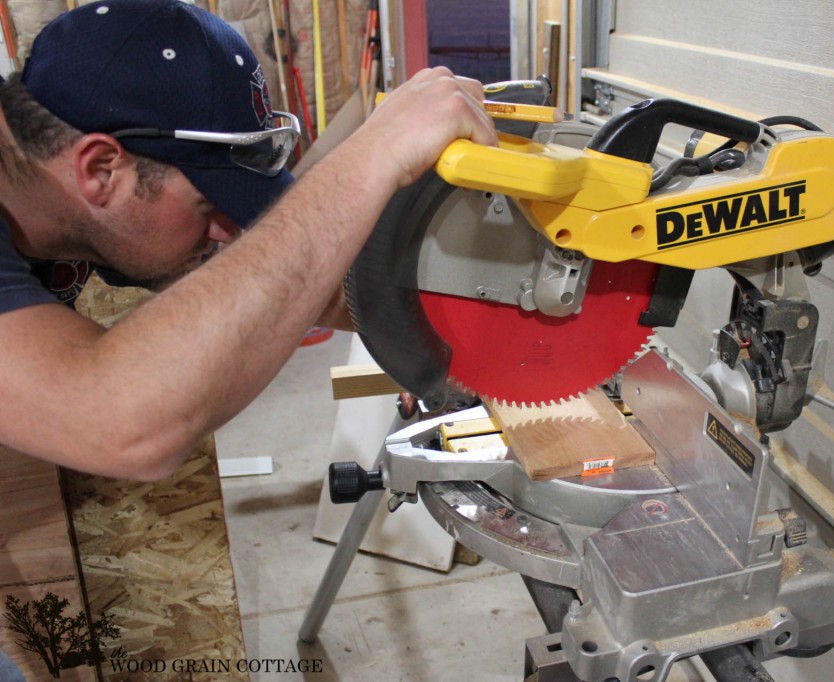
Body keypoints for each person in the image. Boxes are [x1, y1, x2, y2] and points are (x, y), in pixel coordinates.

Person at [0, 0, 497, 483]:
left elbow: (301, 279)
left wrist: (466, 336)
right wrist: (374, 155)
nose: (229, 231)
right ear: (101, 170)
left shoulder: (79, 198)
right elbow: (117, 426)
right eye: (207, 204)